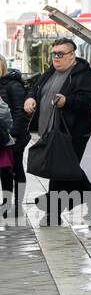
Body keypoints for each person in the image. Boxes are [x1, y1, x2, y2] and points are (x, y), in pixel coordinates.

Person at [24, 38, 91, 221]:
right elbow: (35, 88)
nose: (56, 58)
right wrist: (30, 98)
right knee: (65, 170)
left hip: (73, 133)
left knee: (61, 170)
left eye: (60, 54)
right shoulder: (50, 72)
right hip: (50, 131)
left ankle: (52, 213)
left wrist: (67, 101)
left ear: (72, 55)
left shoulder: (84, 76)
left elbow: (89, 102)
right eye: (54, 54)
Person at [0, 57, 29, 207]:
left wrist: (14, 133)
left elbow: (21, 111)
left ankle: (17, 205)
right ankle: (6, 204)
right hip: (3, 136)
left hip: (15, 135)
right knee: (4, 170)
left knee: (16, 168)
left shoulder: (13, 85)